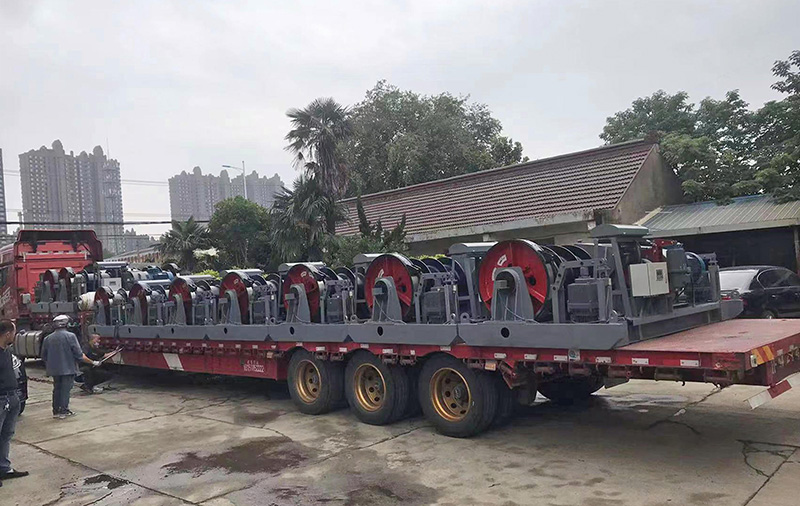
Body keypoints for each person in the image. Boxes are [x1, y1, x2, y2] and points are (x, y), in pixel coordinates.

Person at [40, 315, 100, 419]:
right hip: (68, 368)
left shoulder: (48, 338)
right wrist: (91, 362)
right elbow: (78, 354)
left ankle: (56, 411)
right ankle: (64, 410)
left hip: (54, 370)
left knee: (57, 389)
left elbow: (43, 355)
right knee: (65, 390)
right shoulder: (71, 336)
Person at [0, 319, 28, 487]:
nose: (15, 336)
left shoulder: (7, 351)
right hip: (1, 398)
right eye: (14, 333)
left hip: (12, 397)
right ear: (7, 334)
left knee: (6, 435)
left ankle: (4, 468)